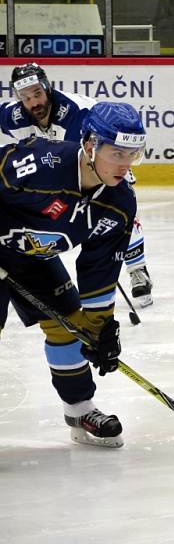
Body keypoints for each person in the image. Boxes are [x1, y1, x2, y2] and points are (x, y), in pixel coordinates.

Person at [0, 102, 147, 448]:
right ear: (90, 145)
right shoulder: (40, 163)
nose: (125, 165)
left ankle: (79, 409)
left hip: (32, 256)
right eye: (117, 153)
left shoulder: (118, 203)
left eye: (133, 155)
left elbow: (100, 269)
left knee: (70, 325)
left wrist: (99, 329)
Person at [0, 63, 155, 307]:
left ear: (48, 88)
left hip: (105, 158)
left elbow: (86, 162)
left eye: (37, 94)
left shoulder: (74, 113)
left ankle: (137, 267)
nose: (33, 103)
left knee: (117, 206)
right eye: (25, 97)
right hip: (55, 166)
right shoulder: (14, 115)